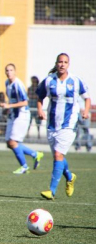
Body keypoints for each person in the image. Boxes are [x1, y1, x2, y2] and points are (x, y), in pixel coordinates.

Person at [36, 53, 91, 200]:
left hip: (69, 124)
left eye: (65, 62)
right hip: (52, 124)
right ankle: (70, 176)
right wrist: (40, 110)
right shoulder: (49, 81)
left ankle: (51, 191)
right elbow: (40, 97)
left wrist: (85, 111)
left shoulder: (75, 80)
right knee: (58, 155)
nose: (62, 64)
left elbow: (87, 97)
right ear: (56, 63)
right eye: (60, 62)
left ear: (68, 64)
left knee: (58, 155)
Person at [0, 63, 44, 174]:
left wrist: (9, 106)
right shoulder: (7, 83)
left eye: (11, 70)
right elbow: (12, 99)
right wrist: (7, 107)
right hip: (13, 115)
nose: (9, 72)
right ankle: (35, 154)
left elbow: (25, 102)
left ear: (15, 71)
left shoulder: (18, 84)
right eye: (7, 70)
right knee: (9, 143)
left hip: (22, 115)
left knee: (13, 142)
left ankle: (24, 167)